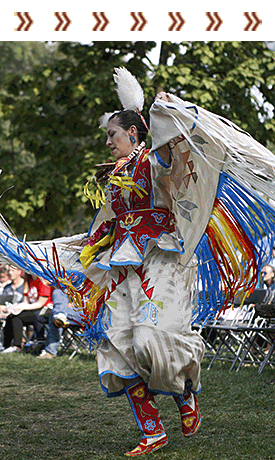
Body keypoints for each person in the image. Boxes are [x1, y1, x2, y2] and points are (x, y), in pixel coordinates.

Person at [1, 274, 52, 353]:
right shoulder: (28, 280)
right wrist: (16, 307)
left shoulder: (43, 281)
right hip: (32, 309)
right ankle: (6, 345)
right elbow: (26, 301)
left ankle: (17, 346)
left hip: (43, 311)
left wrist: (22, 308)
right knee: (11, 316)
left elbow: (40, 304)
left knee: (16, 317)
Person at [38, 288, 82, 359]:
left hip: (90, 316)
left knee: (55, 314)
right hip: (73, 312)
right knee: (59, 291)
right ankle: (60, 314)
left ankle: (50, 351)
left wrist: (75, 304)